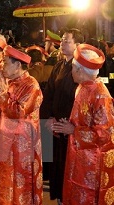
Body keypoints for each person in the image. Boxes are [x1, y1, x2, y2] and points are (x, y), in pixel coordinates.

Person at [52, 44, 114, 204]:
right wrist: (69, 126)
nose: (70, 71)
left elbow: (104, 135)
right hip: (78, 155)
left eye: (72, 67)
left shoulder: (101, 95)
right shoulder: (81, 88)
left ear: (80, 70)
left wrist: (74, 130)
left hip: (92, 162)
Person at [0, 45, 43, 204]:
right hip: (6, 140)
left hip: (23, 144)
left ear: (18, 65)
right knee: (6, 179)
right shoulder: (10, 82)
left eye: (6, 63)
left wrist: (2, 95)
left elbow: (18, 113)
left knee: (22, 183)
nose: (3, 67)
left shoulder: (31, 85)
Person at [40, 28, 84, 204]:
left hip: (69, 127)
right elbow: (48, 93)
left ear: (77, 45)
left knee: (69, 168)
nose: (62, 43)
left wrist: (70, 124)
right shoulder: (58, 65)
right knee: (56, 168)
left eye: (67, 41)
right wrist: (49, 118)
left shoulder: (81, 69)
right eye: (63, 40)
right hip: (55, 126)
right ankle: (59, 199)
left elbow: (80, 99)